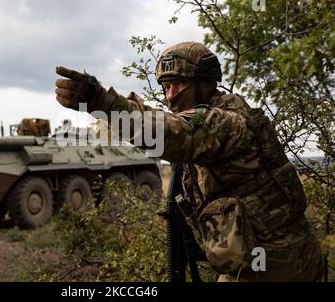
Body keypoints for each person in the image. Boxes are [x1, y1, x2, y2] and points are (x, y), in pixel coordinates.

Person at [54, 41, 322, 281]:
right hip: (268, 258)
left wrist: (102, 102)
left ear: (203, 83)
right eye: (166, 87)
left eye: (178, 84)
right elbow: (164, 121)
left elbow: (170, 132)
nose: (170, 95)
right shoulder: (216, 115)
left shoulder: (227, 123)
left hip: (275, 265)